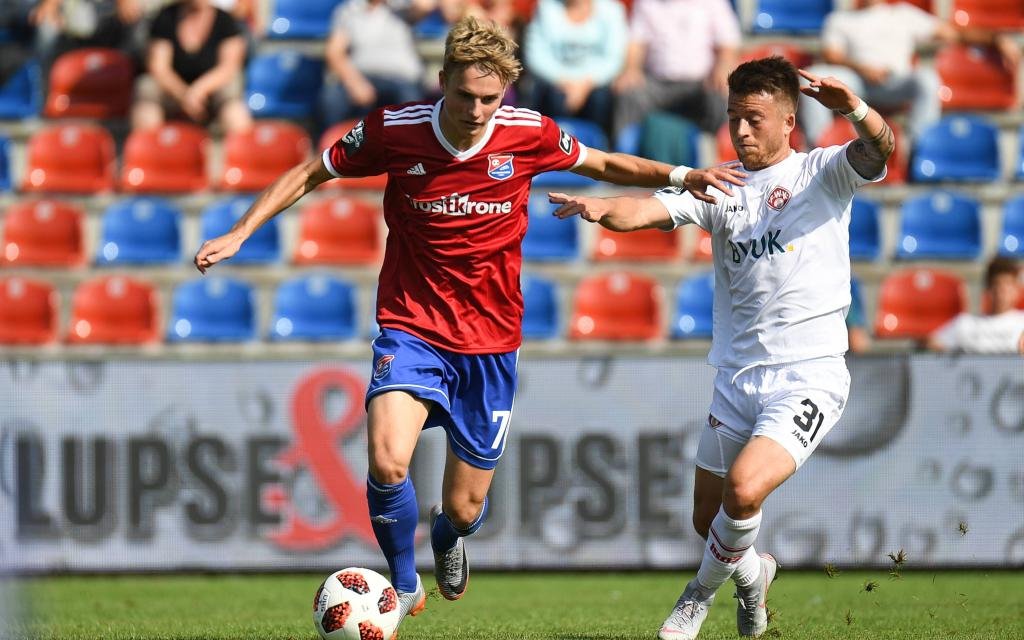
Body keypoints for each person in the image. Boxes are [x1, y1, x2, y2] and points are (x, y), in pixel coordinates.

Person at [194, 16, 743, 635]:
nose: (478, 109)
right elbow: (310, 171)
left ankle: (448, 534)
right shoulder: (393, 132)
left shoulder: (527, 133)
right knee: (386, 457)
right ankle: (403, 584)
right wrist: (241, 231)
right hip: (411, 326)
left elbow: (604, 162)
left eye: (490, 98)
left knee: (465, 503)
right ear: (441, 83)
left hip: (490, 344)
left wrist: (682, 175)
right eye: (465, 96)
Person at [549, 56, 893, 639]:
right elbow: (652, 210)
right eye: (733, 118)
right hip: (735, 378)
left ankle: (696, 598)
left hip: (808, 375)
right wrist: (607, 209)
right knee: (707, 519)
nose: (740, 131)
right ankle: (755, 575)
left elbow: (880, 149)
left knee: (743, 490)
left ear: (789, 121)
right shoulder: (720, 185)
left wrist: (854, 108)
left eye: (754, 119)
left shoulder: (823, 171)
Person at [799, 0, 1020, 146]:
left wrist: (995, 39)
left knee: (927, 79)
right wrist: (862, 68)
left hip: (896, 82)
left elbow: (953, 34)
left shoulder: (903, 14)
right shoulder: (840, 19)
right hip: (855, 82)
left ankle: (919, 147)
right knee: (814, 76)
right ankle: (819, 147)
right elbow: (832, 55)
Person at [611, 0, 740, 136]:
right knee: (628, 94)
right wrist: (631, 69)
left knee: (722, 96)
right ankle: (620, 153)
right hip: (656, 84)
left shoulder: (713, 3)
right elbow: (636, 43)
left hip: (700, 84)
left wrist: (721, 68)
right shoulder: (646, 3)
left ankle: (722, 152)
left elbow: (727, 45)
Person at [130, 0, 252, 134]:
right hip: (173, 90)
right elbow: (159, 67)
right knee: (146, 90)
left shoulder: (225, 21)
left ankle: (244, 150)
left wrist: (198, 91)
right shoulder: (166, 17)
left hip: (210, 91)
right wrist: (184, 95)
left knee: (233, 105)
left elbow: (228, 67)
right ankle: (149, 150)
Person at [319, 0, 431, 128]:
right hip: (362, 77)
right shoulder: (349, 10)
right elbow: (335, 52)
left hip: (402, 79)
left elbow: (425, 6)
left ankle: (413, 145)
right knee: (332, 98)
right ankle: (333, 144)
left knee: (410, 102)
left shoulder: (402, 7)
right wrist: (355, 83)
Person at [522, 0, 627, 133]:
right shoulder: (545, 7)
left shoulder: (612, 10)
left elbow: (614, 59)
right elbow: (535, 56)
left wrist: (585, 85)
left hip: (596, 88)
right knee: (553, 98)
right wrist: (564, 82)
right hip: (554, 85)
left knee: (600, 100)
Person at [927, 257, 1024, 355]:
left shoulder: (1021, 323)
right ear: (988, 288)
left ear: (1017, 290)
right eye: (997, 284)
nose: (1002, 291)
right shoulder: (965, 324)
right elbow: (931, 345)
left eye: (1008, 284)